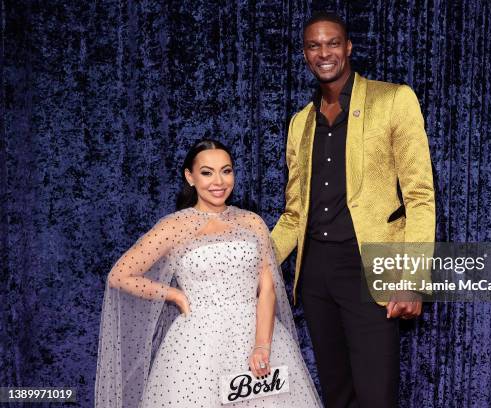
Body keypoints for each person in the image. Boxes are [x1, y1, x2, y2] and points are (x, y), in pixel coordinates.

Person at [270, 11, 435, 408]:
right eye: (314, 45)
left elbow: (420, 197)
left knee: (376, 395)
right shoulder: (300, 123)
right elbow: (295, 214)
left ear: (348, 47)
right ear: (305, 53)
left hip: (369, 269)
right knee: (337, 394)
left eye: (331, 43)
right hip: (315, 274)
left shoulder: (394, 99)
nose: (323, 52)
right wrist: (253, 261)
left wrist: (412, 279)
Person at [95, 139, 322, 407]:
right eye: (207, 172)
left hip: (257, 334)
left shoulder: (252, 222)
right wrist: (174, 294)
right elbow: (119, 275)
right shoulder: (174, 226)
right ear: (190, 177)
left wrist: (262, 346)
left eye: (226, 171)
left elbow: (268, 288)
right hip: (197, 346)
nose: (219, 181)